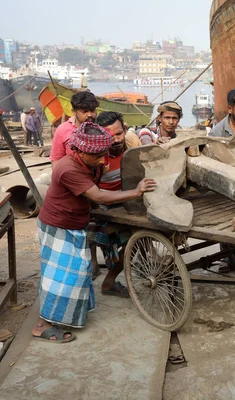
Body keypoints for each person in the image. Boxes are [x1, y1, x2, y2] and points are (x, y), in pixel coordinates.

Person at [32, 122, 156, 343]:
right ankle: (42, 325)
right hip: (58, 224)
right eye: (98, 156)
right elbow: (98, 196)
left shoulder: (91, 160)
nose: (102, 160)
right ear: (80, 151)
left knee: (77, 272)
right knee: (60, 277)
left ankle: (66, 314)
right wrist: (136, 192)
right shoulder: (67, 168)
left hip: (76, 220)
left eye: (104, 154)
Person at [87, 111, 135, 293]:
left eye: (119, 133)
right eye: (109, 135)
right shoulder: (97, 156)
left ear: (125, 130)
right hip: (102, 207)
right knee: (132, 239)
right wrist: (101, 211)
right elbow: (91, 193)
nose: (115, 139)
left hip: (127, 201)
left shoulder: (132, 145)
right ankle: (109, 281)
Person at [50, 90, 99, 165]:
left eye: (92, 111)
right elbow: (56, 160)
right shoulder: (63, 130)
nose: (89, 114)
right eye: (84, 111)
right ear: (74, 112)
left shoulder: (101, 128)